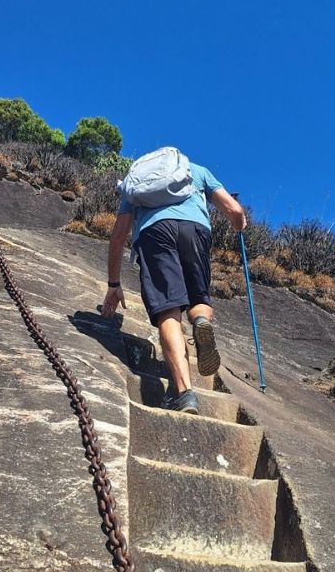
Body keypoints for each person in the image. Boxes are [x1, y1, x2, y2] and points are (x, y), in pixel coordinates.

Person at [101, 152, 246, 414]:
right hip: (195, 230)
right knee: (199, 299)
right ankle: (200, 322)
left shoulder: (137, 181)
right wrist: (239, 224)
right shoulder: (197, 170)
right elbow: (233, 209)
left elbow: (119, 233)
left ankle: (185, 394)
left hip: (154, 232)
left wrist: (114, 283)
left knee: (168, 310)